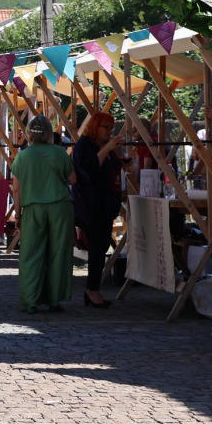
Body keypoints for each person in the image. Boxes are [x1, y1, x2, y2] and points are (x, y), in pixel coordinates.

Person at [10, 115, 75, 313]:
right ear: (49, 133)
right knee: (58, 253)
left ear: (29, 133)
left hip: (33, 208)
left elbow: (16, 189)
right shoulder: (59, 153)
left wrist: (17, 215)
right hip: (60, 207)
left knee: (31, 254)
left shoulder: (22, 156)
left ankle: (30, 301)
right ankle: (54, 300)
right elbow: (73, 179)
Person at [72, 111, 125, 309]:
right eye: (106, 128)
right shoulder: (84, 145)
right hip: (91, 204)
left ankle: (93, 289)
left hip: (105, 204)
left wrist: (122, 159)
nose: (109, 132)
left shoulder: (104, 145)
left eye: (111, 128)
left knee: (101, 247)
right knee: (96, 247)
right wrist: (108, 148)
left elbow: (111, 167)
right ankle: (92, 290)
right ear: (95, 127)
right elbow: (89, 170)